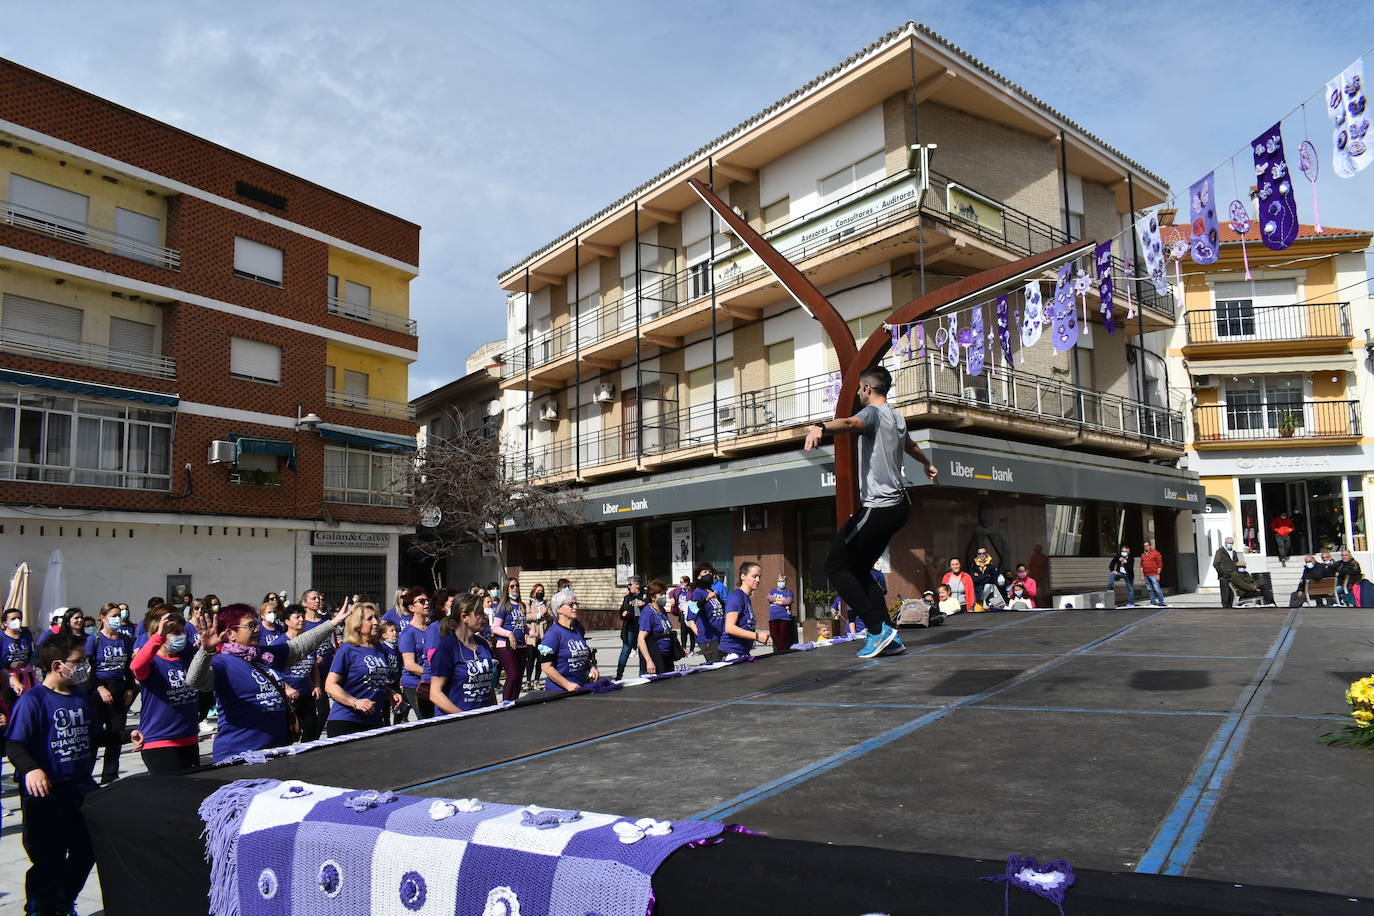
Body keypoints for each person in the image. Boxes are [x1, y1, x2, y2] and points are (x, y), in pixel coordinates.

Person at [805, 364, 939, 658]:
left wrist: (820, 427)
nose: (858, 393)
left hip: (880, 506)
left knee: (835, 566)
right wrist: (927, 463)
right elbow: (910, 445)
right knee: (858, 568)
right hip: (899, 506)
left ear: (867, 388)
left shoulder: (873, 413)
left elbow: (852, 425)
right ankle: (889, 638)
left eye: (859, 389)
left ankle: (877, 630)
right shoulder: (896, 415)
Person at [5, 634, 100, 916]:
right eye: (78, 661)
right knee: (49, 859)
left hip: (81, 788)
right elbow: (14, 743)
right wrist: (31, 768)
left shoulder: (81, 698)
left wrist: (124, 734)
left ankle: (63, 900)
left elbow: (94, 735)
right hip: (46, 795)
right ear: (58, 665)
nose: (84, 665)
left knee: (87, 851)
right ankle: (41, 905)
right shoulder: (33, 701)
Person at [185, 600, 347, 763]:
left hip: (274, 753)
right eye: (251, 626)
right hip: (238, 757)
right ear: (230, 634)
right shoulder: (222, 663)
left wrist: (332, 623)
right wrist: (205, 652)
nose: (257, 630)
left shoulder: (264, 656)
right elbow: (195, 681)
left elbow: (299, 646)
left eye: (256, 624)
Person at [129, 608, 201, 773]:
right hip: (161, 741)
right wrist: (158, 637)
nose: (181, 635)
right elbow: (136, 666)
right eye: (174, 632)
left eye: (182, 631)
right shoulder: (152, 662)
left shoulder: (185, 658)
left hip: (189, 738)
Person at [325, 602, 397, 736]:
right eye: (370, 619)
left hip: (373, 722)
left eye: (376, 617)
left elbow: (372, 680)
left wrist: (390, 693)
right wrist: (355, 702)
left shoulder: (381, 649)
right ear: (357, 624)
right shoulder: (348, 649)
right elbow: (330, 685)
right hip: (346, 721)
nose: (376, 622)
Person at [84, 604, 134, 784]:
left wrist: (130, 688)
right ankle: (87, 774)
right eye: (113, 615)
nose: (117, 619)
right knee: (95, 735)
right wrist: (99, 688)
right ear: (103, 618)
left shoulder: (124, 640)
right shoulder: (94, 639)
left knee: (116, 733)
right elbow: (88, 669)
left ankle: (110, 774)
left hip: (119, 689)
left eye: (119, 615)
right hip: (99, 690)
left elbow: (128, 667)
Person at [430, 593, 498, 713]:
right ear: (464, 617)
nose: (485, 616)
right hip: (455, 724)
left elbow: (488, 685)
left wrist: (495, 710)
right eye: (479, 613)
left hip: (484, 720)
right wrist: (463, 717)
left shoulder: (484, 645)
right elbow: (435, 694)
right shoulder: (446, 649)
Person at [538, 589, 599, 691]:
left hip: (580, 687)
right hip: (559, 691)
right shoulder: (553, 633)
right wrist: (567, 684)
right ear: (559, 609)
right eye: (571, 604)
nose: (575, 607)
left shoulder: (578, 629)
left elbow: (582, 654)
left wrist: (591, 666)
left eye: (576, 604)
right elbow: (546, 667)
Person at [278, 604, 321, 739]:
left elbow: (314, 667)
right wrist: (287, 688)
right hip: (286, 698)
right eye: (297, 617)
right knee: (288, 735)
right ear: (287, 621)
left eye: (303, 616)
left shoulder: (308, 641)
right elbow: (270, 671)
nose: (301, 619)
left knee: (311, 732)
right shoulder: (279, 644)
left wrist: (316, 685)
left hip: (306, 696)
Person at [397, 586, 435, 720]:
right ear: (411, 608)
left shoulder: (433, 628)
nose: (427, 603)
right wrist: (433, 675)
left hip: (433, 682)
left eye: (427, 600)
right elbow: (410, 665)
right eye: (421, 601)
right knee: (427, 719)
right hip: (415, 684)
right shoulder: (407, 634)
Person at [721, 562, 771, 660]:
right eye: (754, 576)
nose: (758, 580)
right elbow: (729, 627)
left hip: (742, 652)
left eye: (759, 577)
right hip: (732, 652)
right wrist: (756, 636)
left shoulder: (746, 598)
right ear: (743, 576)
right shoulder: (736, 596)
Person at [491, 577, 528, 702]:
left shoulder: (521, 606)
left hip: (521, 645)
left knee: (518, 677)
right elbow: (495, 627)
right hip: (506, 645)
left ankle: (514, 701)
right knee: (513, 674)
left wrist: (531, 631)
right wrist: (509, 634)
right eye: (512, 586)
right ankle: (506, 702)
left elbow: (521, 624)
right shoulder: (503, 607)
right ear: (507, 589)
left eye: (517, 586)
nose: (515, 588)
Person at [637, 580, 678, 675]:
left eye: (664, 594)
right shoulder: (648, 613)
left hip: (666, 656)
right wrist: (649, 661)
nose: (664, 597)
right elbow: (641, 639)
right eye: (661, 594)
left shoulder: (662, 610)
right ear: (652, 597)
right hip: (655, 656)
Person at [687, 568, 726, 662]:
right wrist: (699, 634)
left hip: (720, 634)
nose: (708, 574)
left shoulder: (713, 591)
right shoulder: (697, 592)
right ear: (699, 576)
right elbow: (692, 613)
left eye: (710, 572)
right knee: (715, 665)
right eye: (705, 572)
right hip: (708, 637)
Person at [3, 607, 37, 704]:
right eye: (13, 619)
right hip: (8, 675)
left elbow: (32, 652)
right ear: (5, 623)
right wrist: (9, 665)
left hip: (26, 673)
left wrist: (28, 663)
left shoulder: (26, 634)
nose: (17, 621)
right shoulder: (2, 637)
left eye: (19, 618)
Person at [615, 577, 646, 680]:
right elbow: (621, 611)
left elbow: (652, 607)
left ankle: (643, 673)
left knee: (643, 650)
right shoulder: (627, 598)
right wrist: (623, 614)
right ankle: (619, 675)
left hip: (643, 628)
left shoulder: (644, 596)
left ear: (637, 585)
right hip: (630, 628)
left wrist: (644, 605)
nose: (628, 586)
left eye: (630, 584)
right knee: (625, 650)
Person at [378, 620, 402, 723]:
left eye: (396, 630)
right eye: (391, 631)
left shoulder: (397, 648)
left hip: (395, 682)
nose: (395, 633)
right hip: (386, 683)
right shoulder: (383, 648)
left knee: (399, 706)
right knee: (385, 708)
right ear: (384, 635)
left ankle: (397, 724)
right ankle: (386, 725)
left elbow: (400, 663)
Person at [766, 572, 797, 653]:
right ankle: (782, 649)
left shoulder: (788, 592)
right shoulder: (772, 591)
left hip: (784, 617)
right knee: (774, 634)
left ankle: (782, 651)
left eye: (782, 581)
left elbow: (788, 601)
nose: (780, 583)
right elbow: (769, 597)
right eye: (779, 581)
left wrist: (778, 601)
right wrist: (779, 600)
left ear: (785, 582)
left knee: (784, 636)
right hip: (773, 617)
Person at [670, 576, 697, 655]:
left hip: (689, 612)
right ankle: (684, 649)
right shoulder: (678, 590)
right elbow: (671, 593)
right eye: (680, 582)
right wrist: (672, 598)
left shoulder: (691, 591)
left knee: (691, 632)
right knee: (683, 632)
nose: (680, 584)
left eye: (682, 582)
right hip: (682, 613)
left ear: (686, 583)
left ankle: (692, 650)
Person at [1212, 536, 1241, 608]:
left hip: (1233, 576)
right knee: (1225, 593)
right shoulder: (1220, 551)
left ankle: (1230, 606)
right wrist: (1221, 573)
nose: (1230, 544)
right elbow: (1216, 563)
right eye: (1229, 543)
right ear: (1225, 543)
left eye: (1231, 543)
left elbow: (1236, 562)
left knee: (1231, 594)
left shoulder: (1234, 552)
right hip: (1224, 577)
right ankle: (1225, 607)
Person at [1140, 539, 1166, 608]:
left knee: (1156, 588)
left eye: (1147, 546)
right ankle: (1153, 602)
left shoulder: (1156, 553)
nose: (1146, 547)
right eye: (1144, 546)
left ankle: (1161, 602)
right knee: (1150, 589)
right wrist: (1142, 575)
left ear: (1150, 546)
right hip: (1146, 575)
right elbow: (1141, 566)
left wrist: (1158, 574)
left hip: (1154, 574)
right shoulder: (1143, 555)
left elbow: (1160, 564)